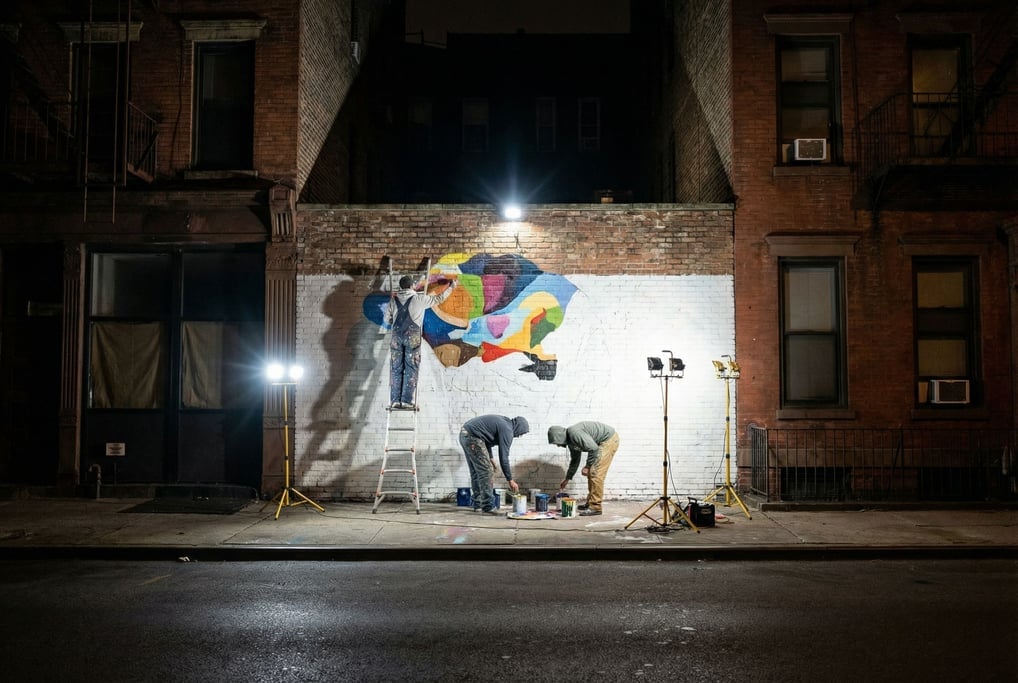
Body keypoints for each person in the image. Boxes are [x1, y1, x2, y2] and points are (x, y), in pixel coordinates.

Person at [384, 273, 456, 408]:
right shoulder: (419, 299)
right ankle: (406, 400)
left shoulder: (393, 300)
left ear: (401, 287)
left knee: (396, 367)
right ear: (412, 286)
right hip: (413, 338)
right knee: (411, 367)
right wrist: (451, 287)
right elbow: (439, 299)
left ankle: (395, 400)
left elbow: (387, 319)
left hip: (396, 337)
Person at [459, 415, 530, 514]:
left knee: (476, 471)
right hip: (473, 437)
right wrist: (510, 480)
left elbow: (486, 440)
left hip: (465, 433)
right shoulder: (508, 430)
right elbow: (504, 458)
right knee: (486, 472)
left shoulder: (505, 423)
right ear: (519, 427)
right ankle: (487, 506)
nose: (519, 436)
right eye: (521, 433)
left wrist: (491, 459)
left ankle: (478, 504)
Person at [547, 421, 619, 516]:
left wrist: (587, 466)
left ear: (559, 436)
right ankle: (590, 503)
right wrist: (567, 478)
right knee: (592, 473)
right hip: (603, 441)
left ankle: (595, 507)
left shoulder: (574, 434)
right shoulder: (571, 442)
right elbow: (575, 460)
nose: (557, 445)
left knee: (596, 473)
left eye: (556, 442)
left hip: (608, 440)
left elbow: (593, 449)